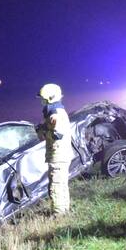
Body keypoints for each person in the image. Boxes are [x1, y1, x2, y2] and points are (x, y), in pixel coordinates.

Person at [37, 83, 72, 216]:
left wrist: (44, 132)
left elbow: (57, 134)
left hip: (58, 156)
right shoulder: (57, 112)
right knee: (61, 185)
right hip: (62, 155)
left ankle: (58, 215)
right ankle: (64, 211)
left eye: (43, 100)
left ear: (50, 99)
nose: (42, 102)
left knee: (56, 187)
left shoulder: (54, 114)